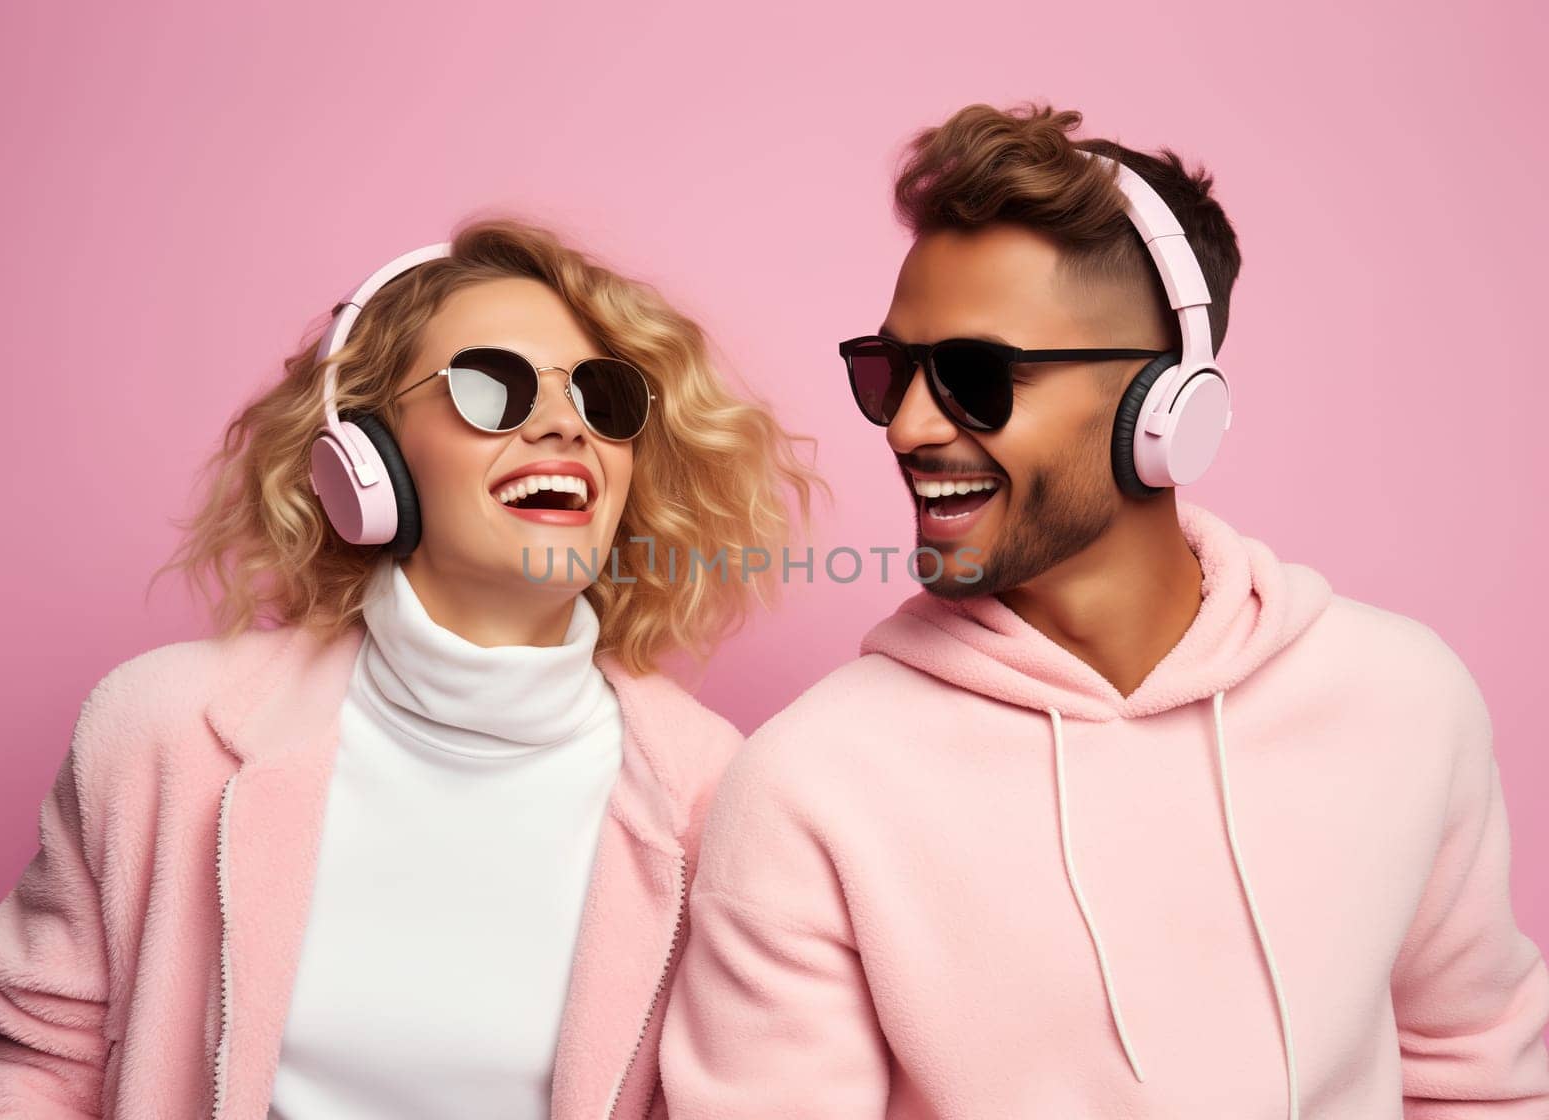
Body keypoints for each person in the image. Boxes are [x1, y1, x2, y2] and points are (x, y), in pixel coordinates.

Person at [658, 102, 1549, 1117]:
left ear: (1168, 406)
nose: (907, 424)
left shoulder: (1404, 700)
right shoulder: (807, 785)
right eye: (889, 371)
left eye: (973, 376)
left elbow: (1478, 1074)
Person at [0, 217, 817, 1119]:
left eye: (604, 398)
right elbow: (35, 1074)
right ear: (365, 457)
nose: (566, 424)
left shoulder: (716, 798)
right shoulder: (159, 732)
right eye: (493, 388)